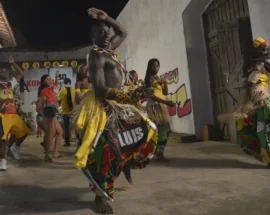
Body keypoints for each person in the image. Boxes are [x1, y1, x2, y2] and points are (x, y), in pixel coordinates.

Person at [74, 8, 157, 214]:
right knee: (106, 149)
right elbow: (101, 90)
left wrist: (107, 18)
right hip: (103, 105)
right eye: (101, 32)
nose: (106, 35)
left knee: (147, 130)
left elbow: (123, 34)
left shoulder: (109, 48)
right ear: (92, 36)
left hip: (121, 104)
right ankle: (100, 196)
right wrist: (129, 97)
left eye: (107, 31)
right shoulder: (95, 55)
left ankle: (126, 162)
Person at [0, 57, 31, 170]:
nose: (4, 72)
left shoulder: (10, 83)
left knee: (25, 131)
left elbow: (21, 73)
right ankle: (2, 160)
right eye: (2, 70)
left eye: (6, 70)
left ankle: (14, 147)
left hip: (13, 114)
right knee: (3, 139)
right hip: (2, 115)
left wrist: (13, 63)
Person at [144, 58, 176, 162]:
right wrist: (166, 103)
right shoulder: (148, 78)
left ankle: (159, 151)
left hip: (161, 105)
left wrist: (165, 83)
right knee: (154, 130)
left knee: (165, 128)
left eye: (157, 66)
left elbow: (165, 93)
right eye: (153, 66)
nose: (156, 68)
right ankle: (149, 151)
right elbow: (150, 95)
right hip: (154, 106)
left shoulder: (158, 77)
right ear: (149, 67)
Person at [37, 73, 63, 162]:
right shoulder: (44, 91)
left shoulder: (51, 89)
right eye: (48, 79)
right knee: (50, 135)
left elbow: (56, 85)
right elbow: (39, 106)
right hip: (48, 114)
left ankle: (55, 152)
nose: (50, 80)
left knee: (59, 132)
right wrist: (44, 116)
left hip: (52, 113)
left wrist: (56, 77)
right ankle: (47, 155)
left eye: (50, 79)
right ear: (44, 82)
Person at [58, 78, 75, 146]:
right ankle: (79, 140)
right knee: (76, 127)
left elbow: (58, 101)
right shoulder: (74, 90)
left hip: (65, 113)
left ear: (64, 84)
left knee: (66, 128)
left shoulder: (62, 91)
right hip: (74, 112)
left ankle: (67, 142)